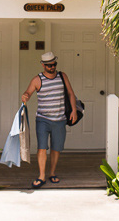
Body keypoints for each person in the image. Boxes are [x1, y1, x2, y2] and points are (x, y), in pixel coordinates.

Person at [21, 51, 77, 189]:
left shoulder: (62, 76)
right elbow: (28, 92)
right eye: (49, 65)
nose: (52, 67)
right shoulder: (37, 80)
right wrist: (26, 96)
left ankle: (52, 173)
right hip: (43, 119)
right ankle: (41, 176)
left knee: (56, 148)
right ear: (43, 65)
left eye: (54, 64)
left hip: (60, 119)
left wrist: (74, 110)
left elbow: (70, 93)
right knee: (42, 147)